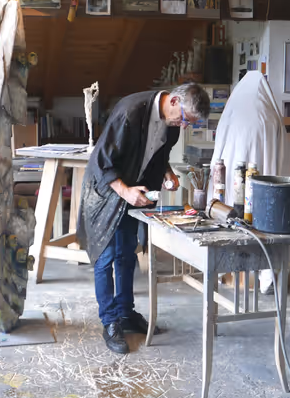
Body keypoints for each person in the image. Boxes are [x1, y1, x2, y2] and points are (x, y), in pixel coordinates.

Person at [78, 84, 210, 353]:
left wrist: (167, 173)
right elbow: (102, 161)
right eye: (185, 119)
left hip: (134, 191)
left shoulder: (172, 125)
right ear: (173, 101)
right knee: (106, 256)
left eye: (190, 123)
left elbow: (158, 154)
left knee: (127, 253)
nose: (184, 126)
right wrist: (125, 191)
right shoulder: (130, 112)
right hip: (106, 188)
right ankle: (110, 321)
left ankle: (126, 313)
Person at [210, 70, 290, 292]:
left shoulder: (232, 111)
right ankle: (264, 277)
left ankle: (228, 272)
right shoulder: (269, 115)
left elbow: (218, 150)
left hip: (230, 180)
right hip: (262, 178)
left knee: (231, 221)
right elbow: (285, 159)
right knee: (260, 223)